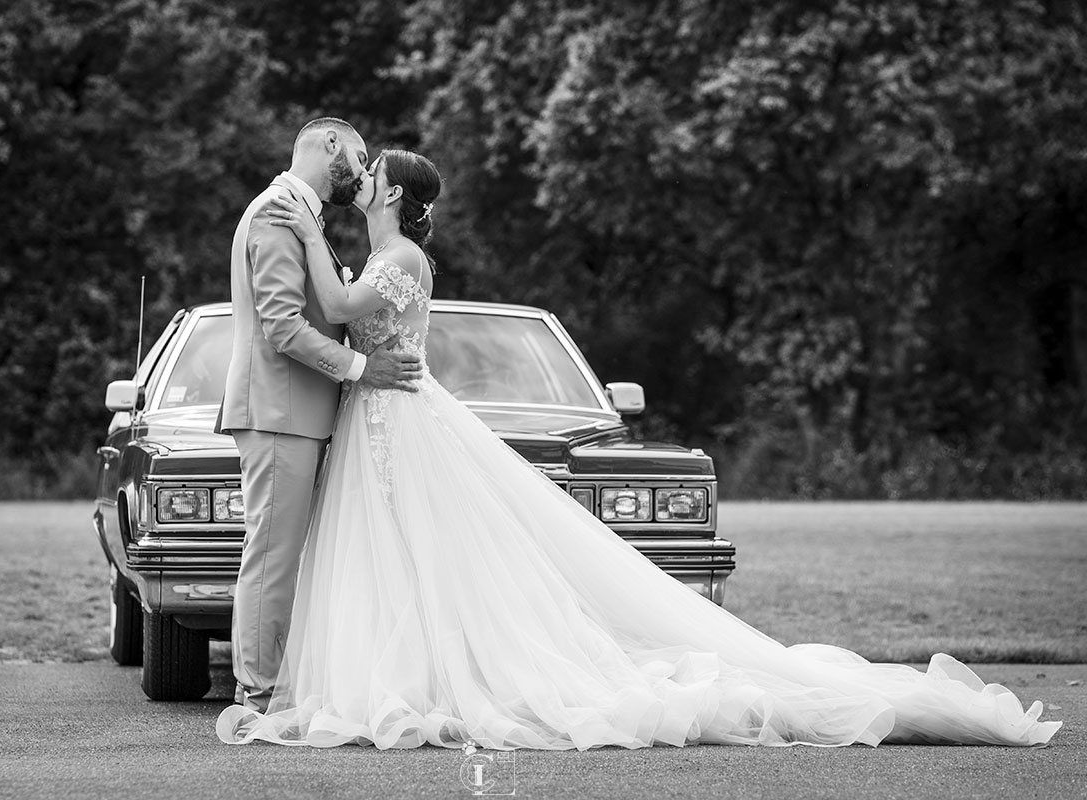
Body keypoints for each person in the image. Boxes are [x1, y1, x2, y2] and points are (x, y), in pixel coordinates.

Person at [215, 149, 1061, 750]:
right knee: (393, 556)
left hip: (393, 415)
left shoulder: (394, 258)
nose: (361, 179)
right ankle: (403, 677)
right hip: (379, 418)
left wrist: (303, 214)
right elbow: (322, 308)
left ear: (396, 197)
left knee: (422, 554)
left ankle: (423, 682)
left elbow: (327, 299)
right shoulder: (383, 247)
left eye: (373, 174)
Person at [215, 118, 422, 714]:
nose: (362, 174)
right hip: (280, 410)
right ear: (330, 145)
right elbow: (283, 326)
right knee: (273, 555)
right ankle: (256, 694)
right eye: (359, 158)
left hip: (299, 412)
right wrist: (361, 368)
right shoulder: (277, 213)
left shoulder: (299, 214)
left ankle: (272, 685)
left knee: (285, 554)